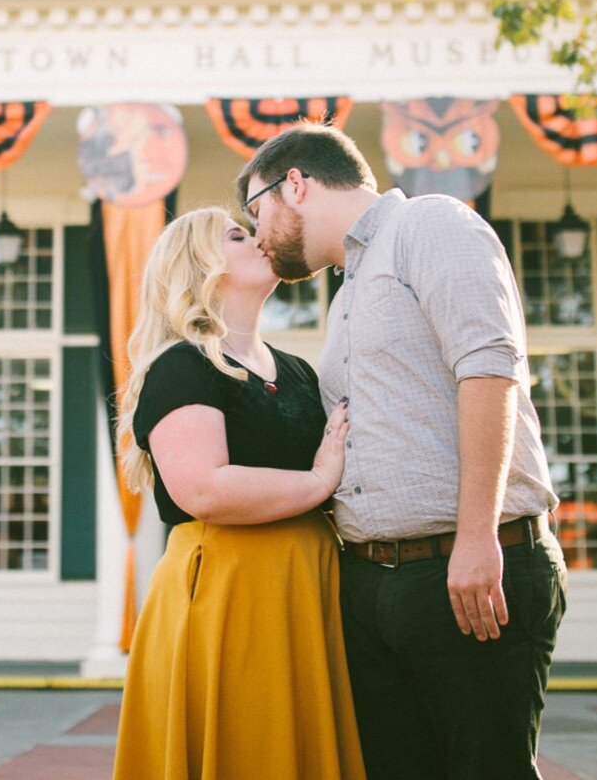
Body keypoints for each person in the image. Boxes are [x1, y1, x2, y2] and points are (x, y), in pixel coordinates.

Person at [239, 123, 567, 780]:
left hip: (464, 568)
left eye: (256, 210)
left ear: (295, 184)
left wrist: (476, 536)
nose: (258, 234)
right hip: (371, 587)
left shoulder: (430, 224)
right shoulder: (348, 292)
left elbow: (489, 369)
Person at [111, 208, 367, 780]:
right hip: (229, 590)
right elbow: (205, 488)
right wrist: (318, 482)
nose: (259, 239)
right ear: (200, 266)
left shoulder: (299, 371)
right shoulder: (183, 365)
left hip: (308, 584)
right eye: (237, 236)